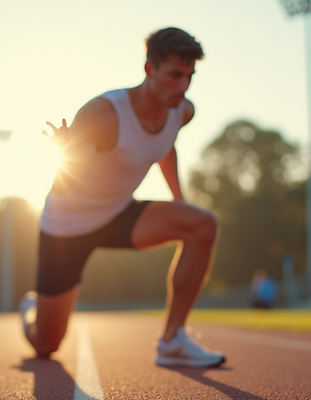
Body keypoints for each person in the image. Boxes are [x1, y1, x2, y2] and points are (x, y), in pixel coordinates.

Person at [19, 27, 225, 368]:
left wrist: (178, 198)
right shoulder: (103, 114)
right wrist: (68, 150)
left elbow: (164, 145)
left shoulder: (182, 111)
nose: (183, 86)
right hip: (66, 228)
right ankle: (32, 312)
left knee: (203, 225)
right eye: (174, 75)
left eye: (189, 76)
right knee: (46, 345)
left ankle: (172, 341)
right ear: (149, 70)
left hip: (118, 214)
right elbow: (63, 187)